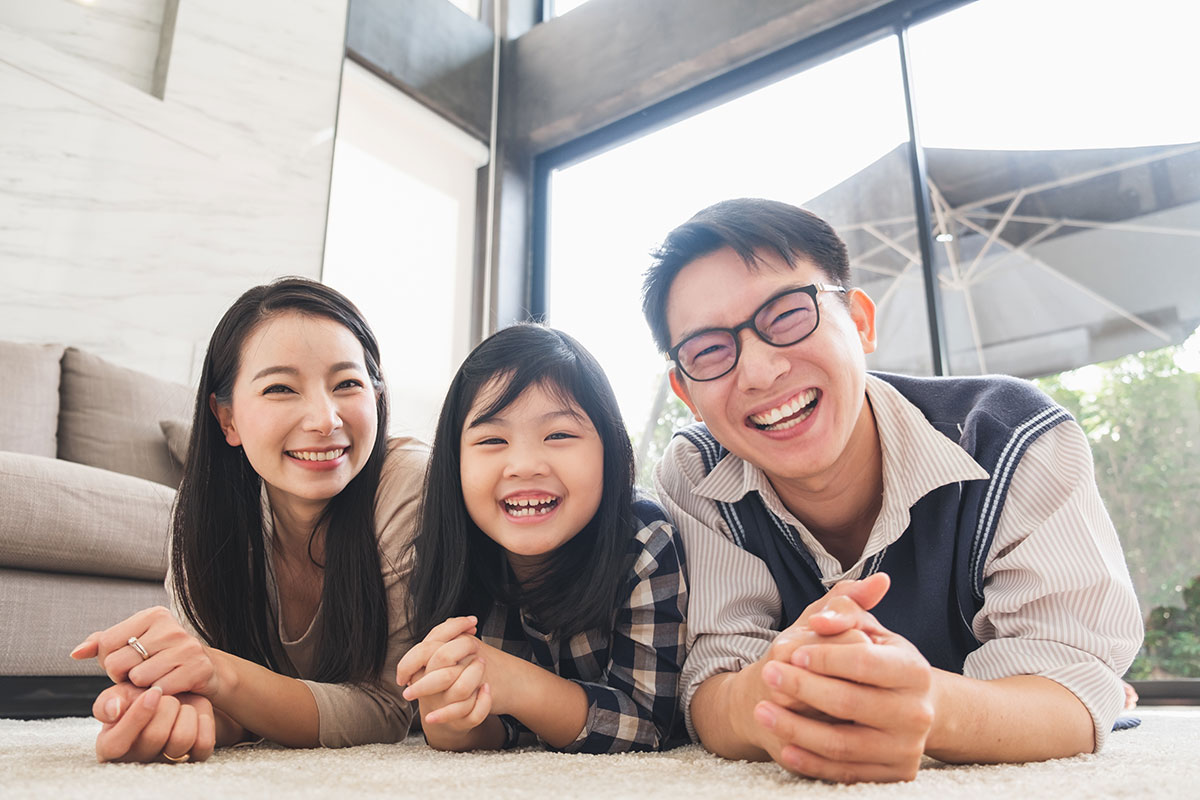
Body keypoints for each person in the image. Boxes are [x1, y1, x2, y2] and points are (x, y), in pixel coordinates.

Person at [641, 198, 1144, 782]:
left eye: (785, 316)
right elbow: (711, 685)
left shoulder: (1011, 436)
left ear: (859, 321)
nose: (758, 372)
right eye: (710, 351)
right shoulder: (696, 473)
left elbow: (1072, 688)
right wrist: (770, 687)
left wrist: (931, 705)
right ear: (686, 392)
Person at [70, 277, 427, 762]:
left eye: (347, 384)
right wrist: (178, 708)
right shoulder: (206, 511)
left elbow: (388, 710)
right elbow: (221, 695)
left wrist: (217, 676)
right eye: (281, 388)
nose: (325, 419)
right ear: (227, 419)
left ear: (378, 398)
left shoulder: (406, 484)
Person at [396, 323, 688, 753]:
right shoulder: (443, 551)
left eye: (559, 435)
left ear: (609, 450)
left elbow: (647, 725)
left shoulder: (644, 542)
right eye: (493, 439)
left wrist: (518, 685)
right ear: (453, 463)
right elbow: (494, 729)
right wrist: (452, 720)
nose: (525, 465)